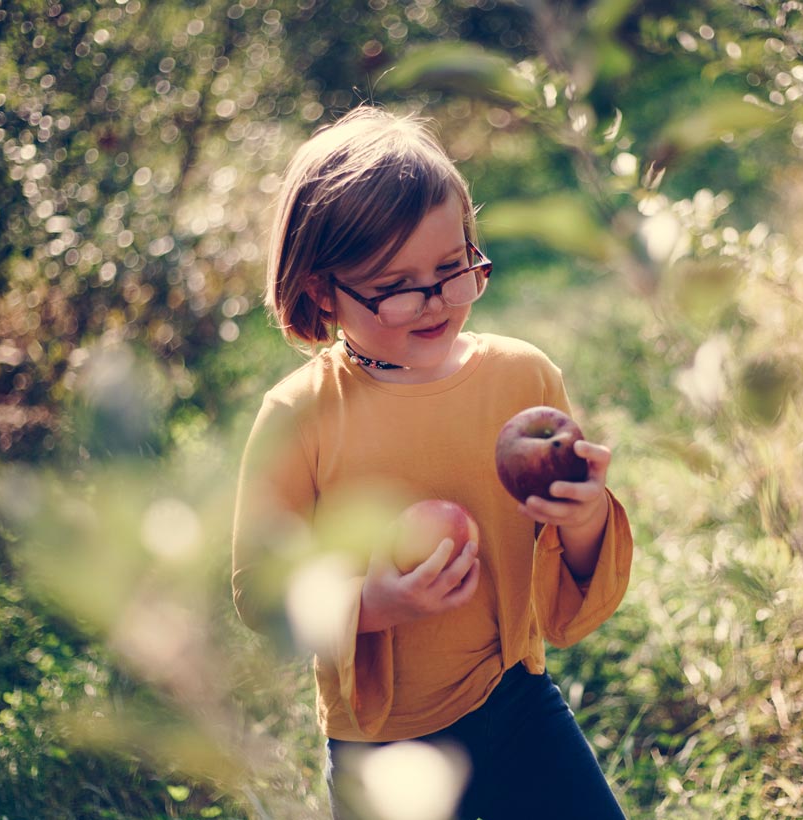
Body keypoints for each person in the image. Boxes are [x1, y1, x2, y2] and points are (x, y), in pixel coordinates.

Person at [232, 105, 633, 819]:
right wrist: (375, 602)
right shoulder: (301, 417)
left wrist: (585, 515)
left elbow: (569, 562)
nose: (436, 298)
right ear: (323, 290)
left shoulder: (522, 378)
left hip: (515, 699)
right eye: (395, 285)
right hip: (383, 740)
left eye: (454, 267)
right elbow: (262, 589)